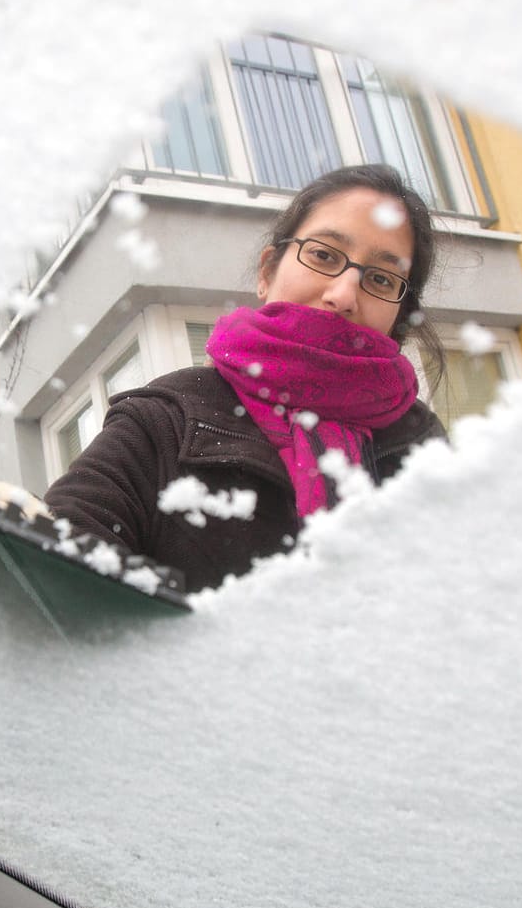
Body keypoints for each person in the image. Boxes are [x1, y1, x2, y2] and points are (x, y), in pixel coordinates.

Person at [43, 164, 449, 593]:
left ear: (400, 314)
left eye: (382, 279)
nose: (344, 295)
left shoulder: (420, 443)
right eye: (324, 255)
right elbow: (55, 573)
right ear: (267, 271)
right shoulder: (164, 422)